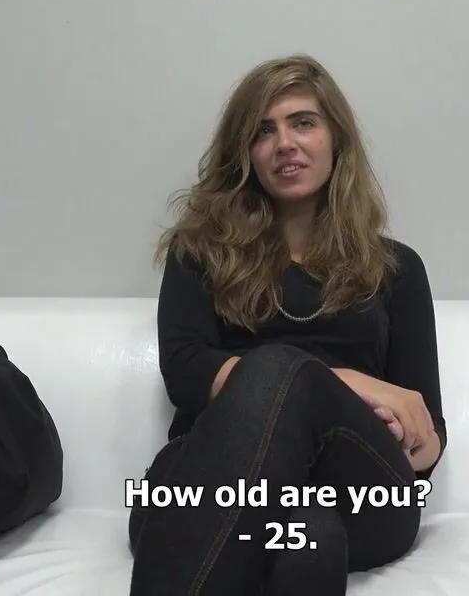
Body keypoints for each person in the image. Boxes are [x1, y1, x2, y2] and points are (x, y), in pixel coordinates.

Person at [127, 54, 447, 595]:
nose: (284, 144)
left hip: (357, 492)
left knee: (278, 372)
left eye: (303, 123)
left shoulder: (396, 269)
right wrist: (349, 381)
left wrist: (414, 438)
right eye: (263, 131)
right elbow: (185, 372)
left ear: (335, 139)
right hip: (212, 476)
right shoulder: (201, 253)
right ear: (246, 153)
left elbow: (427, 436)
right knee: (307, 542)